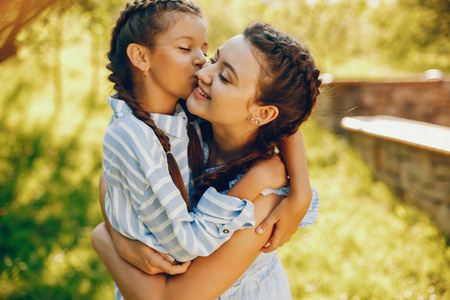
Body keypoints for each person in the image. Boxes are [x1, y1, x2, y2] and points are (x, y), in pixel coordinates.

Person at [92, 19, 321, 299]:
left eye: (225, 77)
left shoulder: (265, 202)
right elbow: (113, 175)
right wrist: (122, 240)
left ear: (262, 114)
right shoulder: (189, 118)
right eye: (214, 59)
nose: (204, 73)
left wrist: (103, 239)